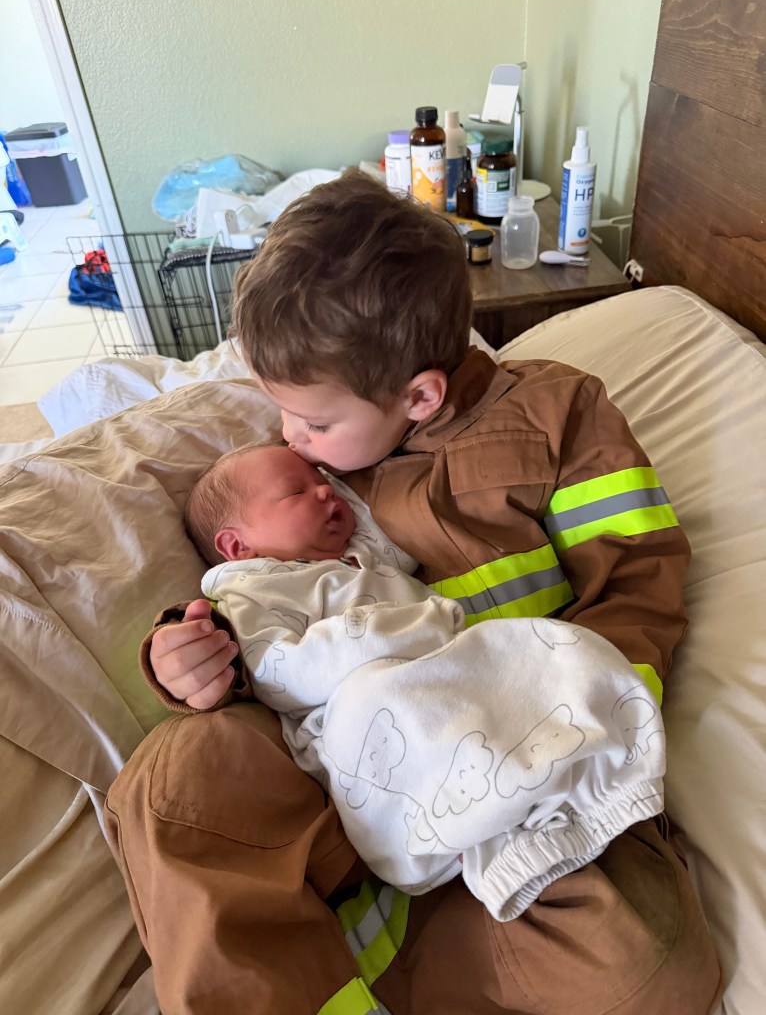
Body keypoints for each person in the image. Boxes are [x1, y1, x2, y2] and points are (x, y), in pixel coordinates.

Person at [105, 170, 721, 1015]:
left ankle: (405, 952)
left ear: (421, 395)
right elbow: (246, 581)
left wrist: (567, 726)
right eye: (283, 415)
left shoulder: (557, 412)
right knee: (174, 784)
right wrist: (191, 651)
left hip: (507, 766)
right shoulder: (306, 460)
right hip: (329, 760)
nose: (291, 438)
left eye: (313, 422)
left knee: (652, 966)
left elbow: (638, 581)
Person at [181, 441, 666, 923]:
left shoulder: (363, 551)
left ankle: (597, 768)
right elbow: (278, 675)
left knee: (538, 643)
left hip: (441, 672)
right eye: (297, 492)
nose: (326, 492)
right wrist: (391, 632)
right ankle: (481, 835)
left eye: (323, 481)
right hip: (362, 723)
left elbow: (397, 509)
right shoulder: (249, 593)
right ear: (236, 546)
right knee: (374, 694)